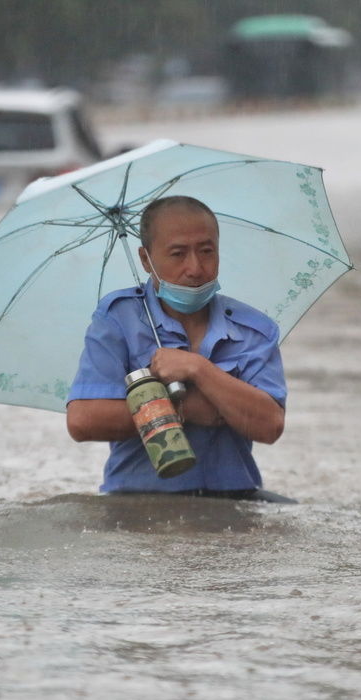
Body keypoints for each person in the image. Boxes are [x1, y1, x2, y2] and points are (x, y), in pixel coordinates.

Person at [66, 195, 287, 498]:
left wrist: (198, 369)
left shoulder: (254, 330)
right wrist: (186, 408)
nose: (195, 268)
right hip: (138, 502)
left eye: (206, 251)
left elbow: (270, 425)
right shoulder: (118, 319)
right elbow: (83, 420)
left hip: (234, 499)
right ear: (146, 259)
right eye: (178, 254)